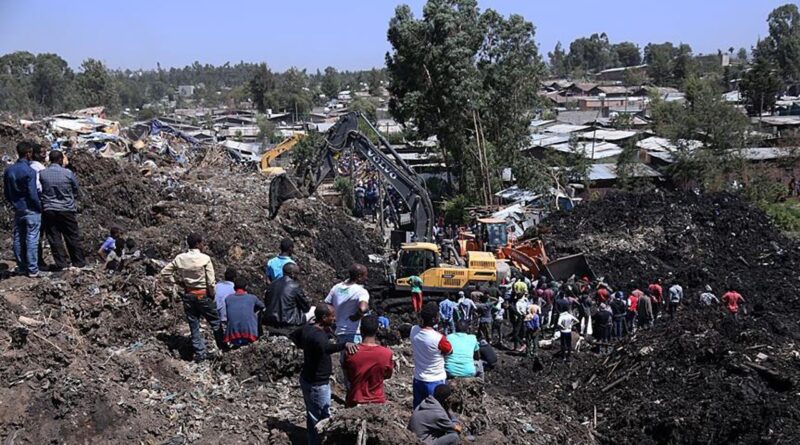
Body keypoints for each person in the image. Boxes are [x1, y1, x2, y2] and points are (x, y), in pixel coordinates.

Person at [296, 304, 358, 445]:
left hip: (308, 378)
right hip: (317, 384)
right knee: (322, 418)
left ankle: (313, 440)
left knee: (312, 415)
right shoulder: (318, 337)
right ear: (324, 318)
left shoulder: (308, 328)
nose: (334, 318)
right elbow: (327, 348)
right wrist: (344, 344)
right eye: (332, 316)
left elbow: (295, 336)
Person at [160, 233, 223, 362]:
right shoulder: (205, 259)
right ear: (198, 244)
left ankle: (200, 353)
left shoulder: (180, 258)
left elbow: (164, 272)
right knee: (215, 322)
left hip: (188, 295)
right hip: (203, 294)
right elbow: (211, 282)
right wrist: (212, 294)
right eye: (202, 243)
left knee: (194, 324)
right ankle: (223, 347)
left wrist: (177, 282)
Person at [39, 150, 86, 271]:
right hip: (66, 209)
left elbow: (40, 190)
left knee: (54, 237)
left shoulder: (43, 173)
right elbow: (76, 189)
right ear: (60, 159)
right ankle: (79, 262)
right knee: (72, 236)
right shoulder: (68, 173)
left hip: (49, 209)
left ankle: (61, 264)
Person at [325, 263, 370, 389]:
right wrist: (357, 315)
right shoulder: (361, 291)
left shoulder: (336, 288)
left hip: (339, 332)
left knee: (345, 365)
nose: (367, 278)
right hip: (354, 334)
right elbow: (363, 308)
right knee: (356, 366)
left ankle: (349, 393)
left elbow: (327, 305)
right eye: (365, 275)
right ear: (359, 276)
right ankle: (355, 395)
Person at [4, 141, 43, 277]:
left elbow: (7, 193)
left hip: (18, 209)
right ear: (28, 153)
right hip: (31, 209)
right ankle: (33, 269)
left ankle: (21, 267)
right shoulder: (29, 171)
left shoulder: (9, 170)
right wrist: (39, 207)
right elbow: (32, 193)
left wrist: (14, 204)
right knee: (32, 238)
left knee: (18, 238)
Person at [343, 315, 393, 407]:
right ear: (377, 330)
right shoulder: (387, 353)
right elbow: (387, 375)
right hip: (377, 402)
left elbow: (348, 376)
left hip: (355, 400)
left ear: (361, 330)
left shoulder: (351, 352)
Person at [411, 302, 453, 408]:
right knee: (436, 409)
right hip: (435, 380)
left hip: (418, 379)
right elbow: (450, 351)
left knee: (418, 409)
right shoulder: (439, 338)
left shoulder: (413, 330)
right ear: (434, 319)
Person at [265, 262, 312, 329]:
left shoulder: (272, 284)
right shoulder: (294, 286)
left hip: (270, 321)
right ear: (292, 274)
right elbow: (306, 308)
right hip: (289, 323)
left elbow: (267, 303)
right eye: (297, 274)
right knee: (314, 311)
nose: (298, 276)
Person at [223, 278, 265, 347]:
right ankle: (258, 334)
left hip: (233, 335)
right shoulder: (252, 298)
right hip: (250, 334)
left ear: (234, 288)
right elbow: (263, 306)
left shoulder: (228, 298)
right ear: (246, 287)